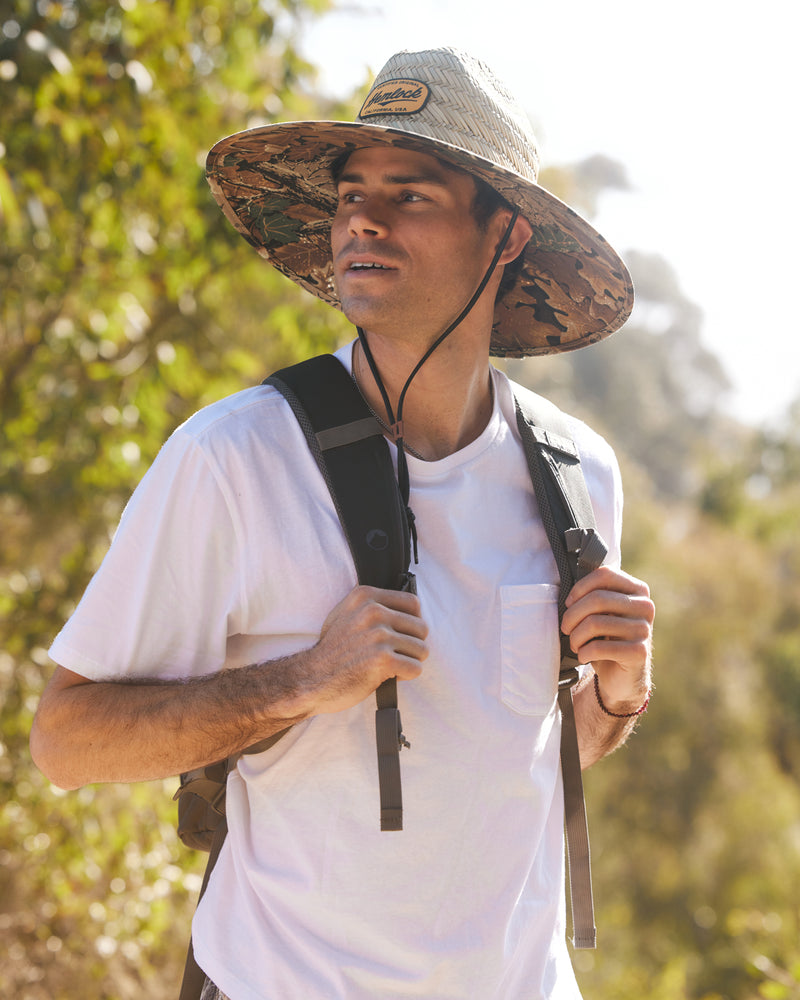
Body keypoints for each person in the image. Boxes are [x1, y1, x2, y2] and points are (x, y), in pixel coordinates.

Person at [31, 47, 654, 1000]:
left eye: (411, 194)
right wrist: (304, 680)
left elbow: (524, 751)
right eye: (352, 192)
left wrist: (616, 693)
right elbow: (68, 740)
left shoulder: (577, 475)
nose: (361, 216)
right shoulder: (234, 458)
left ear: (508, 236)